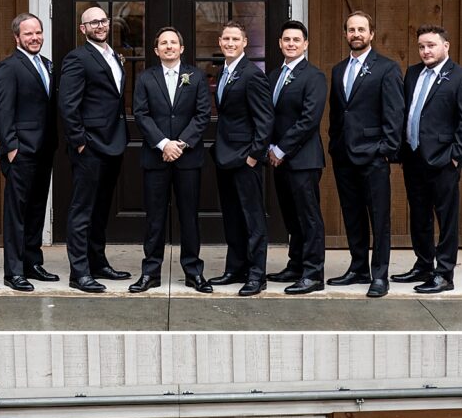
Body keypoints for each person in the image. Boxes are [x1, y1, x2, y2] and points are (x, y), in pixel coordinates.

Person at [393, 26, 462, 294]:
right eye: (421, 46)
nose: (425, 51)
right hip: (414, 157)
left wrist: (456, 156)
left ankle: (444, 274)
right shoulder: (412, 73)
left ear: (446, 46)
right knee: (419, 216)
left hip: (443, 160)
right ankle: (423, 265)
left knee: (446, 219)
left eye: (431, 45)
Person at [327, 11, 404, 298]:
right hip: (344, 155)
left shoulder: (387, 68)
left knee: (379, 217)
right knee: (352, 213)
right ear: (345, 34)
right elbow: (338, 112)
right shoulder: (338, 70)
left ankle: (379, 275)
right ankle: (358, 267)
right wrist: (335, 145)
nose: (356, 34)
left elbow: (395, 114)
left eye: (361, 29)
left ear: (371, 33)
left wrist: (385, 150)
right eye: (351, 29)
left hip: (373, 155)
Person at [130, 27, 212, 293]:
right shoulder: (145, 78)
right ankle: (151, 272)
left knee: (189, 216)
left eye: (173, 42)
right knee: (155, 218)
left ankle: (193, 272)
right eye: (163, 43)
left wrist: (181, 144)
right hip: (156, 158)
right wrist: (164, 144)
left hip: (188, 159)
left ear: (182, 48)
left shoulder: (196, 76)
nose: (168, 46)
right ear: (156, 50)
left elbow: (202, 115)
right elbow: (141, 114)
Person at [58, 5, 131, 293]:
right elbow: (68, 105)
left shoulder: (113, 55)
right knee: (82, 210)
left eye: (103, 21)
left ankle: (98, 262)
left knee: (101, 209)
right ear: (83, 29)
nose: (100, 26)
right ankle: (79, 272)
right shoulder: (77, 59)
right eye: (93, 22)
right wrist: (79, 142)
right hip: (89, 147)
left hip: (113, 143)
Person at [0, 13, 60, 292]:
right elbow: (2, 110)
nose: (35, 38)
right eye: (29, 34)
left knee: (36, 209)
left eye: (38, 33)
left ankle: (33, 262)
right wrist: (11, 148)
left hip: (44, 150)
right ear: (17, 38)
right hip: (20, 151)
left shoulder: (47, 65)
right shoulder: (8, 67)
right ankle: (14, 271)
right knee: (16, 213)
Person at [209, 21, 274, 297]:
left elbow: (265, 119)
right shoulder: (224, 72)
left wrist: (254, 156)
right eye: (226, 38)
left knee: (252, 218)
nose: (230, 43)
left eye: (236, 38)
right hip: (225, 156)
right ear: (220, 42)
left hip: (244, 158)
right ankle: (235, 268)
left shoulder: (252, 74)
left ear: (245, 42)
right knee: (232, 216)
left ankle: (256, 274)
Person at [266, 21, 328, 294]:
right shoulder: (273, 76)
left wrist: (280, 149)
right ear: (280, 43)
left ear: (305, 44)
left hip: (303, 159)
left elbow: (308, 120)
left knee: (309, 217)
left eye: (296, 40)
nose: (291, 43)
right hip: (278, 159)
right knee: (291, 216)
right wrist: (268, 145)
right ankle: (296, 265)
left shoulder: (313, 76)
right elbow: (268, 116)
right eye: (286, 39)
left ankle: (313, 274)